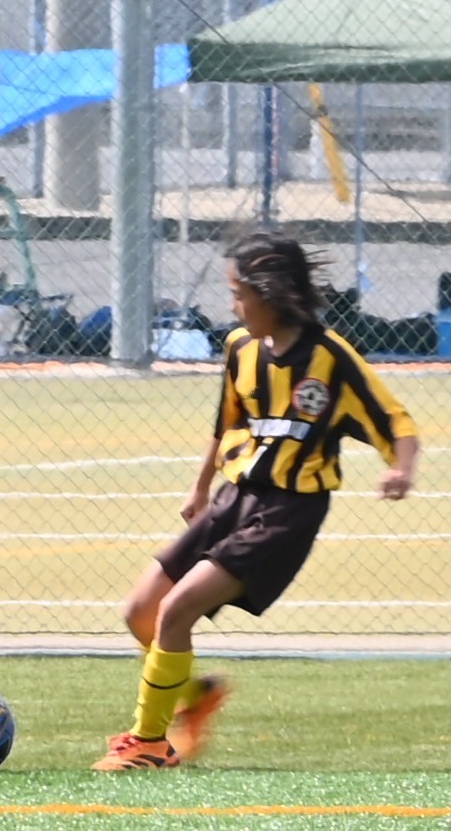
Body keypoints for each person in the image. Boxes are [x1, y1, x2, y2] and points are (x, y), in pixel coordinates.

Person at [94, 231, 419, 771]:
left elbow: (397, 422)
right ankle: (195, 698)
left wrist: (401, 468)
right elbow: (226, 423)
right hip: (234, 497)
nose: (232, 305)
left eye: (238, 294)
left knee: (177, 610)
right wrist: (201, 488)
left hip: (289, 511)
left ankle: (149, 742)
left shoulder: (330, 358)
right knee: (140, 612)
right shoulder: (240, 348)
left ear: (270, 294)